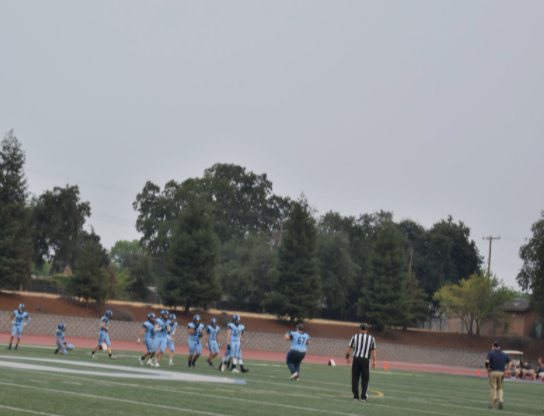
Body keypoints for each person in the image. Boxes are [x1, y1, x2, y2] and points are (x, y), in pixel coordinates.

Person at [345, 323, 376, 402]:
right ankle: (363, 397)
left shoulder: (355, 337)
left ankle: (355, 396)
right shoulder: (371, 338)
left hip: (356, 359)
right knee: (365, 378)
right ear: (367, 329)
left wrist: (347, 357)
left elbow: (350, 348)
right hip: (365, 360)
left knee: (355, 378)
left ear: (360, 329)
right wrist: (374, 361)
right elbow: (373, 350)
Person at [485, 341, 512, 410]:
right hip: (501, 372)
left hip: (493, 372)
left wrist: (487, 367)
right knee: (500, 388)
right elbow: (510, 362)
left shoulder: (490, 353)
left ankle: (493, 404)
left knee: (493, 388)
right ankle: (500, 400)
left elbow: (487, 361)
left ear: (494, 346)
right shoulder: (504, 354)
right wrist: (507, 370)